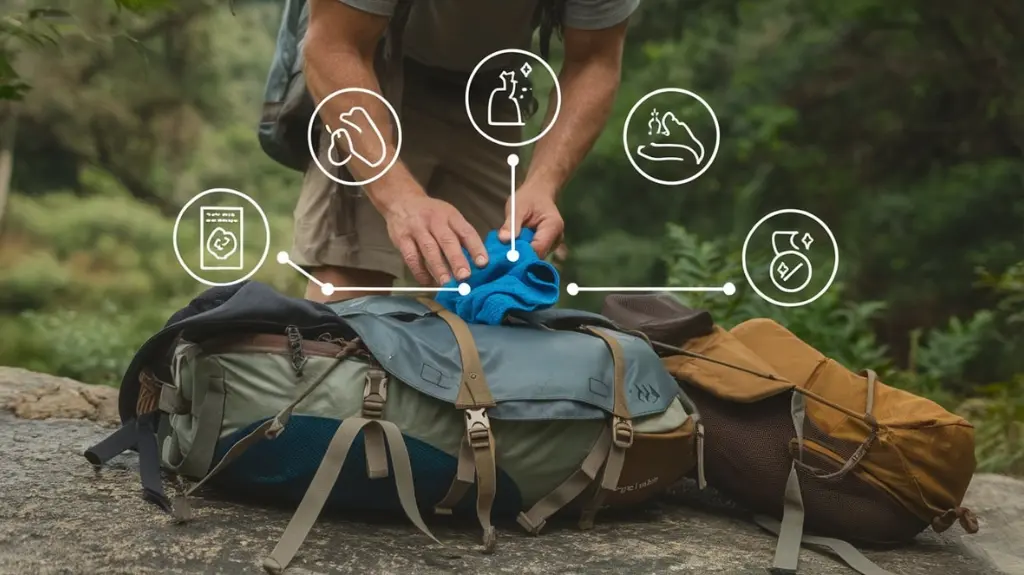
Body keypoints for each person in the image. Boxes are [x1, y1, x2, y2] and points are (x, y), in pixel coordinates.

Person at [292, 0, 636, 302]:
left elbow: (594, 59)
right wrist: (400, 201)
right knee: (348, 294)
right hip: (375, 72)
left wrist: (543, 184)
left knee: (499, 296)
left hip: (493, 90)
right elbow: (333, 46)